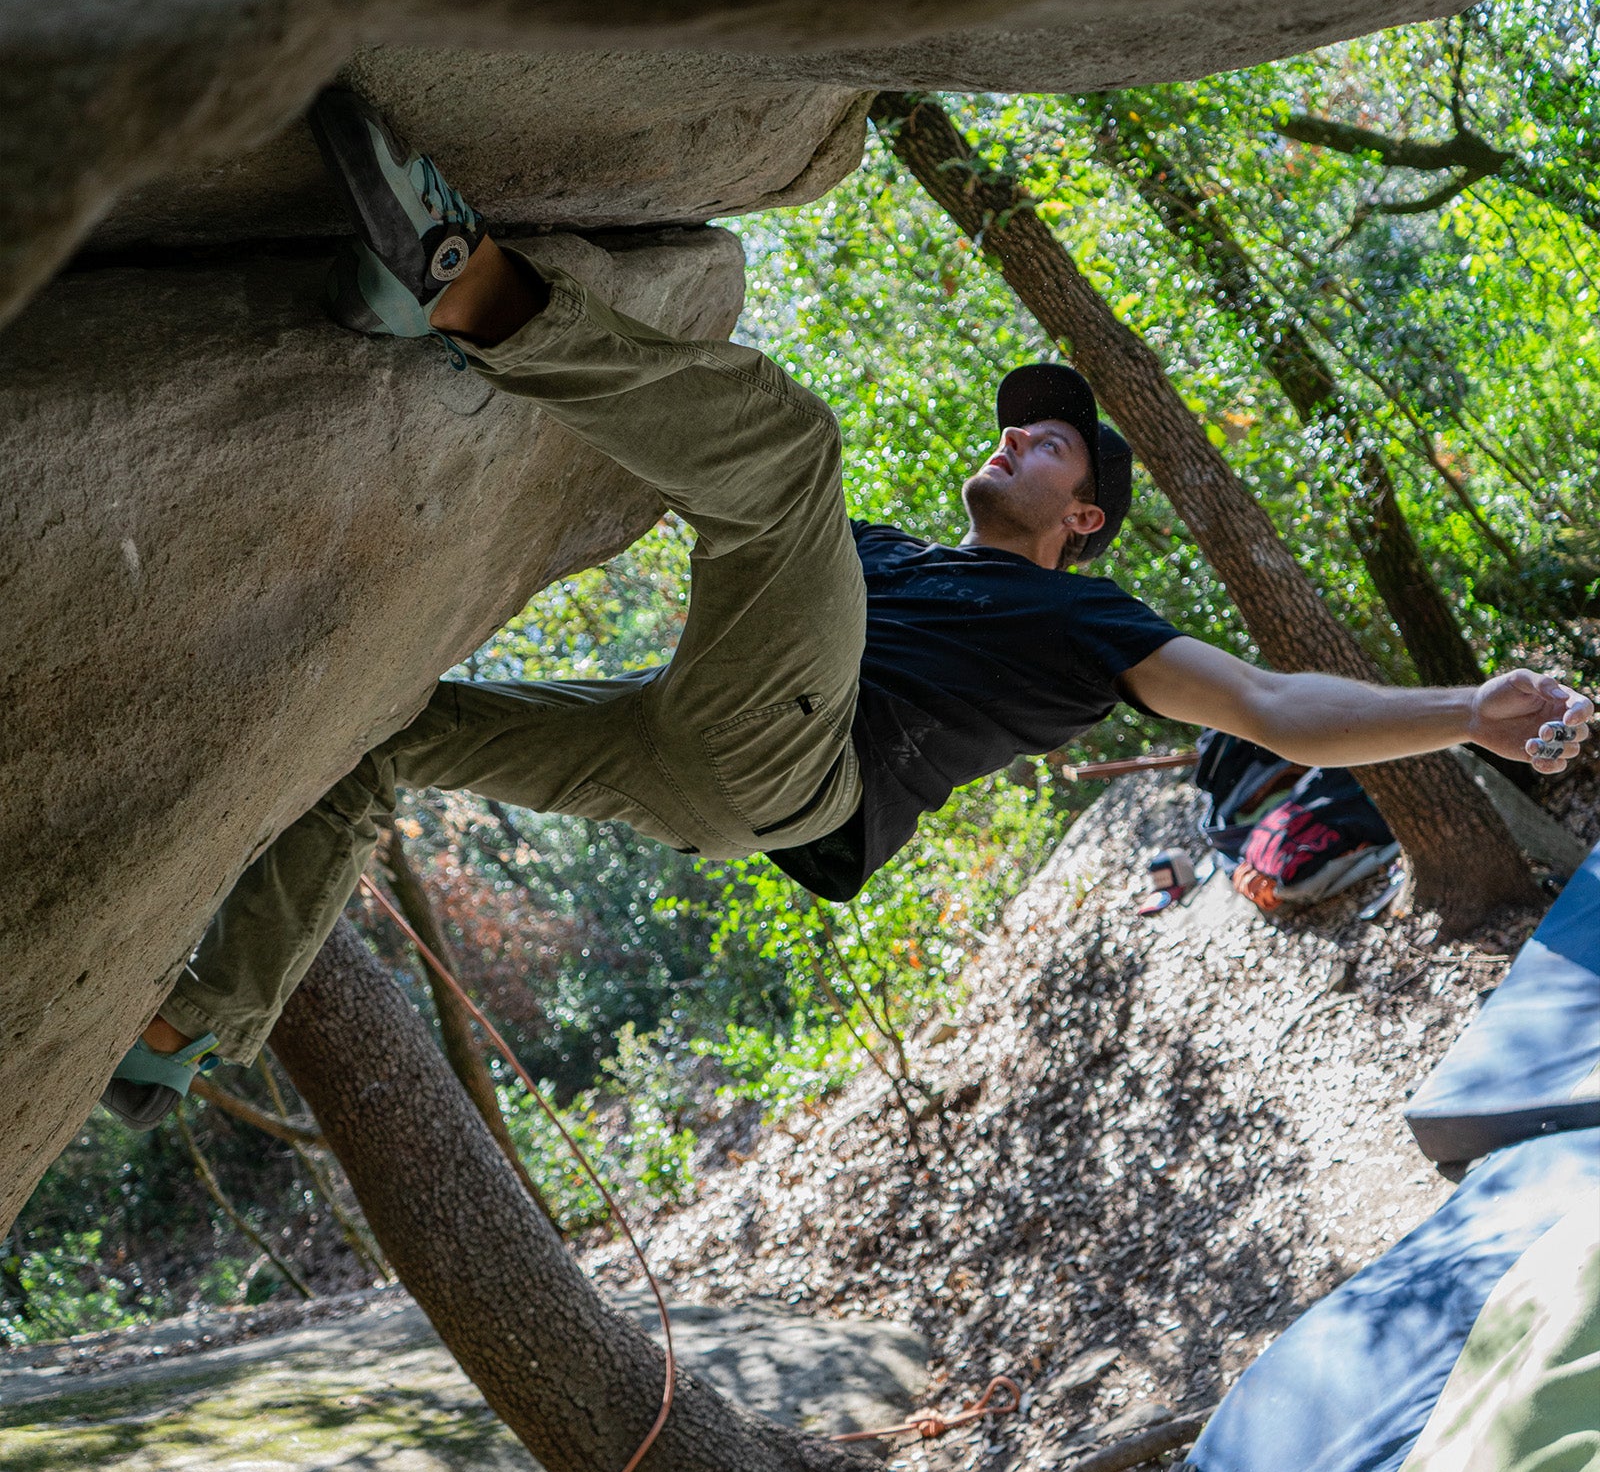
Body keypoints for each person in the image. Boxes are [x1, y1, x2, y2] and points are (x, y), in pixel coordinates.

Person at [102, 90, 1595, 1126]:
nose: (1015, 435)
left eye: (1050, 442)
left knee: (783, 452)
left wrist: (1468, 710)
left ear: (1082, 520)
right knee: (379, 736)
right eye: (1019, 424)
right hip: (693, 765)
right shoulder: (880, 556)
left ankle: (464, 291)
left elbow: (1273, 712)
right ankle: (191, 1032)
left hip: (788, 772)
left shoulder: (1094, 629)